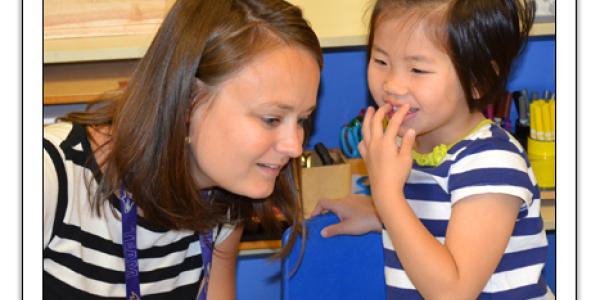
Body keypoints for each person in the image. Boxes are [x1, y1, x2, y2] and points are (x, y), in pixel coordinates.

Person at [43, 0, 322, 299]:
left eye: (302, 119)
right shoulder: (49, 176)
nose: (294, 146)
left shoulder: (224, 202)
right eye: (271, 119)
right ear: (188, 100)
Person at [312, 0, 552, 298]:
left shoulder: (492, 162)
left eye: (418, 69)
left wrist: (387, 198)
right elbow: (439, 227)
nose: (393, 85)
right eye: (381, 61)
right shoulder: (408, 147)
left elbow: (453, 291)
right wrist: (379, 215)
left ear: (479, 79)